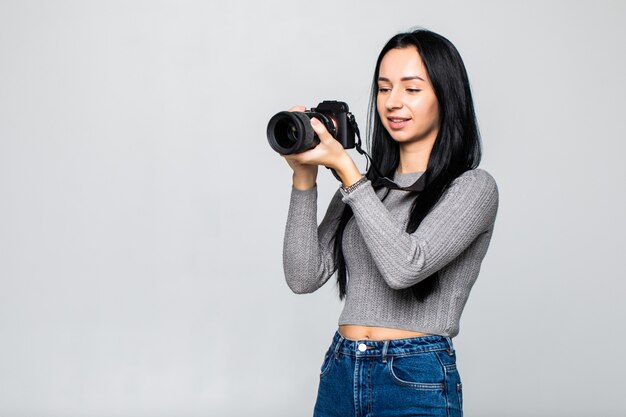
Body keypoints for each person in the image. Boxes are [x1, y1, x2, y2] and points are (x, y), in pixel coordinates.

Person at [279, 29, 499, 417]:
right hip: (340, 369)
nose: (393, 103)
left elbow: (406, 267)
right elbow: (302, 277)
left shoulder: (472, 188)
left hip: (414, 376)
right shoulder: (365, 192)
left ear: (446, 97)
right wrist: (303, 178)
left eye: (411, 89)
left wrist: (348, 171)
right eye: (383, 88)